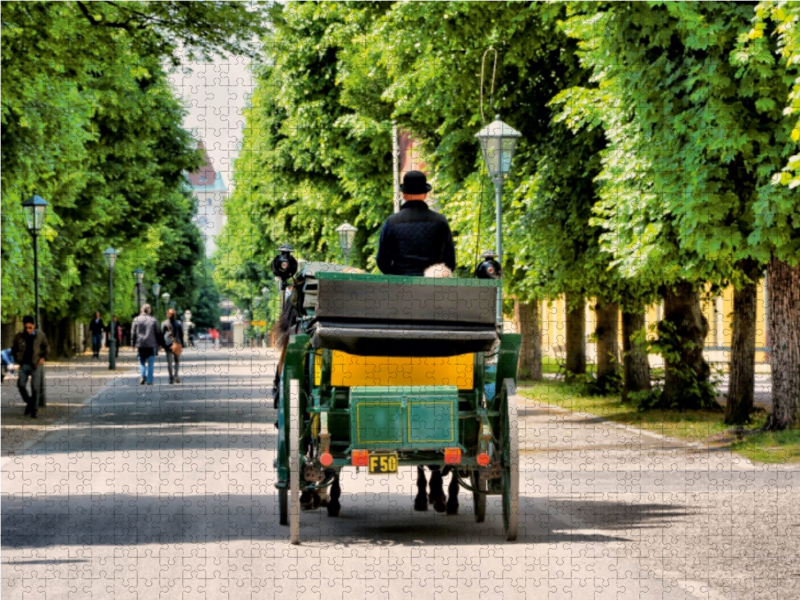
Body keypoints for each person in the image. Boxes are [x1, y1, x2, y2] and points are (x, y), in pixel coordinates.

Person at [376, 170, 456, 276]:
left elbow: (382, 261)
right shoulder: (440, 221)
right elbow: (450, 262)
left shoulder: (392, 222)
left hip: (401, 286)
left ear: (404, 195)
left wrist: (396, 277)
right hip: (433, 287)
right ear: (425, 195)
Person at [11, 316, 50, 418]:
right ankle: (29, 402)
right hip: (24, 364)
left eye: (30, 327)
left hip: (36, 364)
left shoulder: (40, 335)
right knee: (21, 385)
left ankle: (34, 410)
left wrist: (44, 357)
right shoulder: (19, 336)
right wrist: (16, 359)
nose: (28, 329)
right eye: (26, 327)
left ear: (34, 326)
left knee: (35, 388)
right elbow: (14, 349)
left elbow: (47, 346)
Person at [131, 304, 161, 385]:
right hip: (151, 344)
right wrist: (159, 344)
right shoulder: (153, 320)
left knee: (141, 361)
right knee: (150, 363)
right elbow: (158, 332)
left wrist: (133, 344)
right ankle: (150, 380)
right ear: (149, 311)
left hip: (140, 344)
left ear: (141, 310)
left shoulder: (136, 319)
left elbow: (133, 333)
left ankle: (142, 375)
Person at [161, 308, 184, 384]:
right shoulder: (179, 323)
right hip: (177, 344)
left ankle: (171, 378)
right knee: (177, 361)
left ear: (168, 314)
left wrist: (162, 345)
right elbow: (181, 334)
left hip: (168, 345)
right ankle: (176, 375)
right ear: (175, 315)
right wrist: (182, 344)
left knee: (169, 362)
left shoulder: (164, 323)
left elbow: (161, 335)